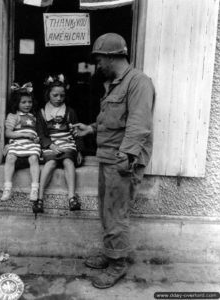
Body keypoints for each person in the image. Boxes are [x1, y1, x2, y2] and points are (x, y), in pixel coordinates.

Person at [73, 33, 155, 289]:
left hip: (122, 161)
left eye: (99, 60)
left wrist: (126, 157)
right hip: (108, 157)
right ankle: (111, 254)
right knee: (106, 211)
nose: (97, 66)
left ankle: (118, 264)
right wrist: (90, 129)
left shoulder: (138, 82)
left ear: (111, 57)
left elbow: (139, 125)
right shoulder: (114, 84)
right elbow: (111, 121)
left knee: (117, 214)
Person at [35, 74, 83, 214]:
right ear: (48, 94)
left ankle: (72, 197)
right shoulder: (43, 112)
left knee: (69, 161)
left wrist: (79, 150)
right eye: (55, 95)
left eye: (62, 96)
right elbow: (41, 134)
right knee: (50, 164)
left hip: (67, 142)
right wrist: (51, 145)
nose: (58, 99)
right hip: (51, 144)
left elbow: (77, 131)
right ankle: (39, 198)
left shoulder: (69, 112)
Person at [1, 83, 41, 203]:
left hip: (31, 144)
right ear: (16, 103)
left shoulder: (34, 116)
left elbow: (37, 132)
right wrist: (24, 134)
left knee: (34, 158)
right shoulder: (13, 116)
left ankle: (34, 188)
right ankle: (7, 187)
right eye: (23, 102)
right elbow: (8, 133)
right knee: (10, 157)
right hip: (17, 142)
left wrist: (36, 138)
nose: (27, 104)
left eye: (29, 102)